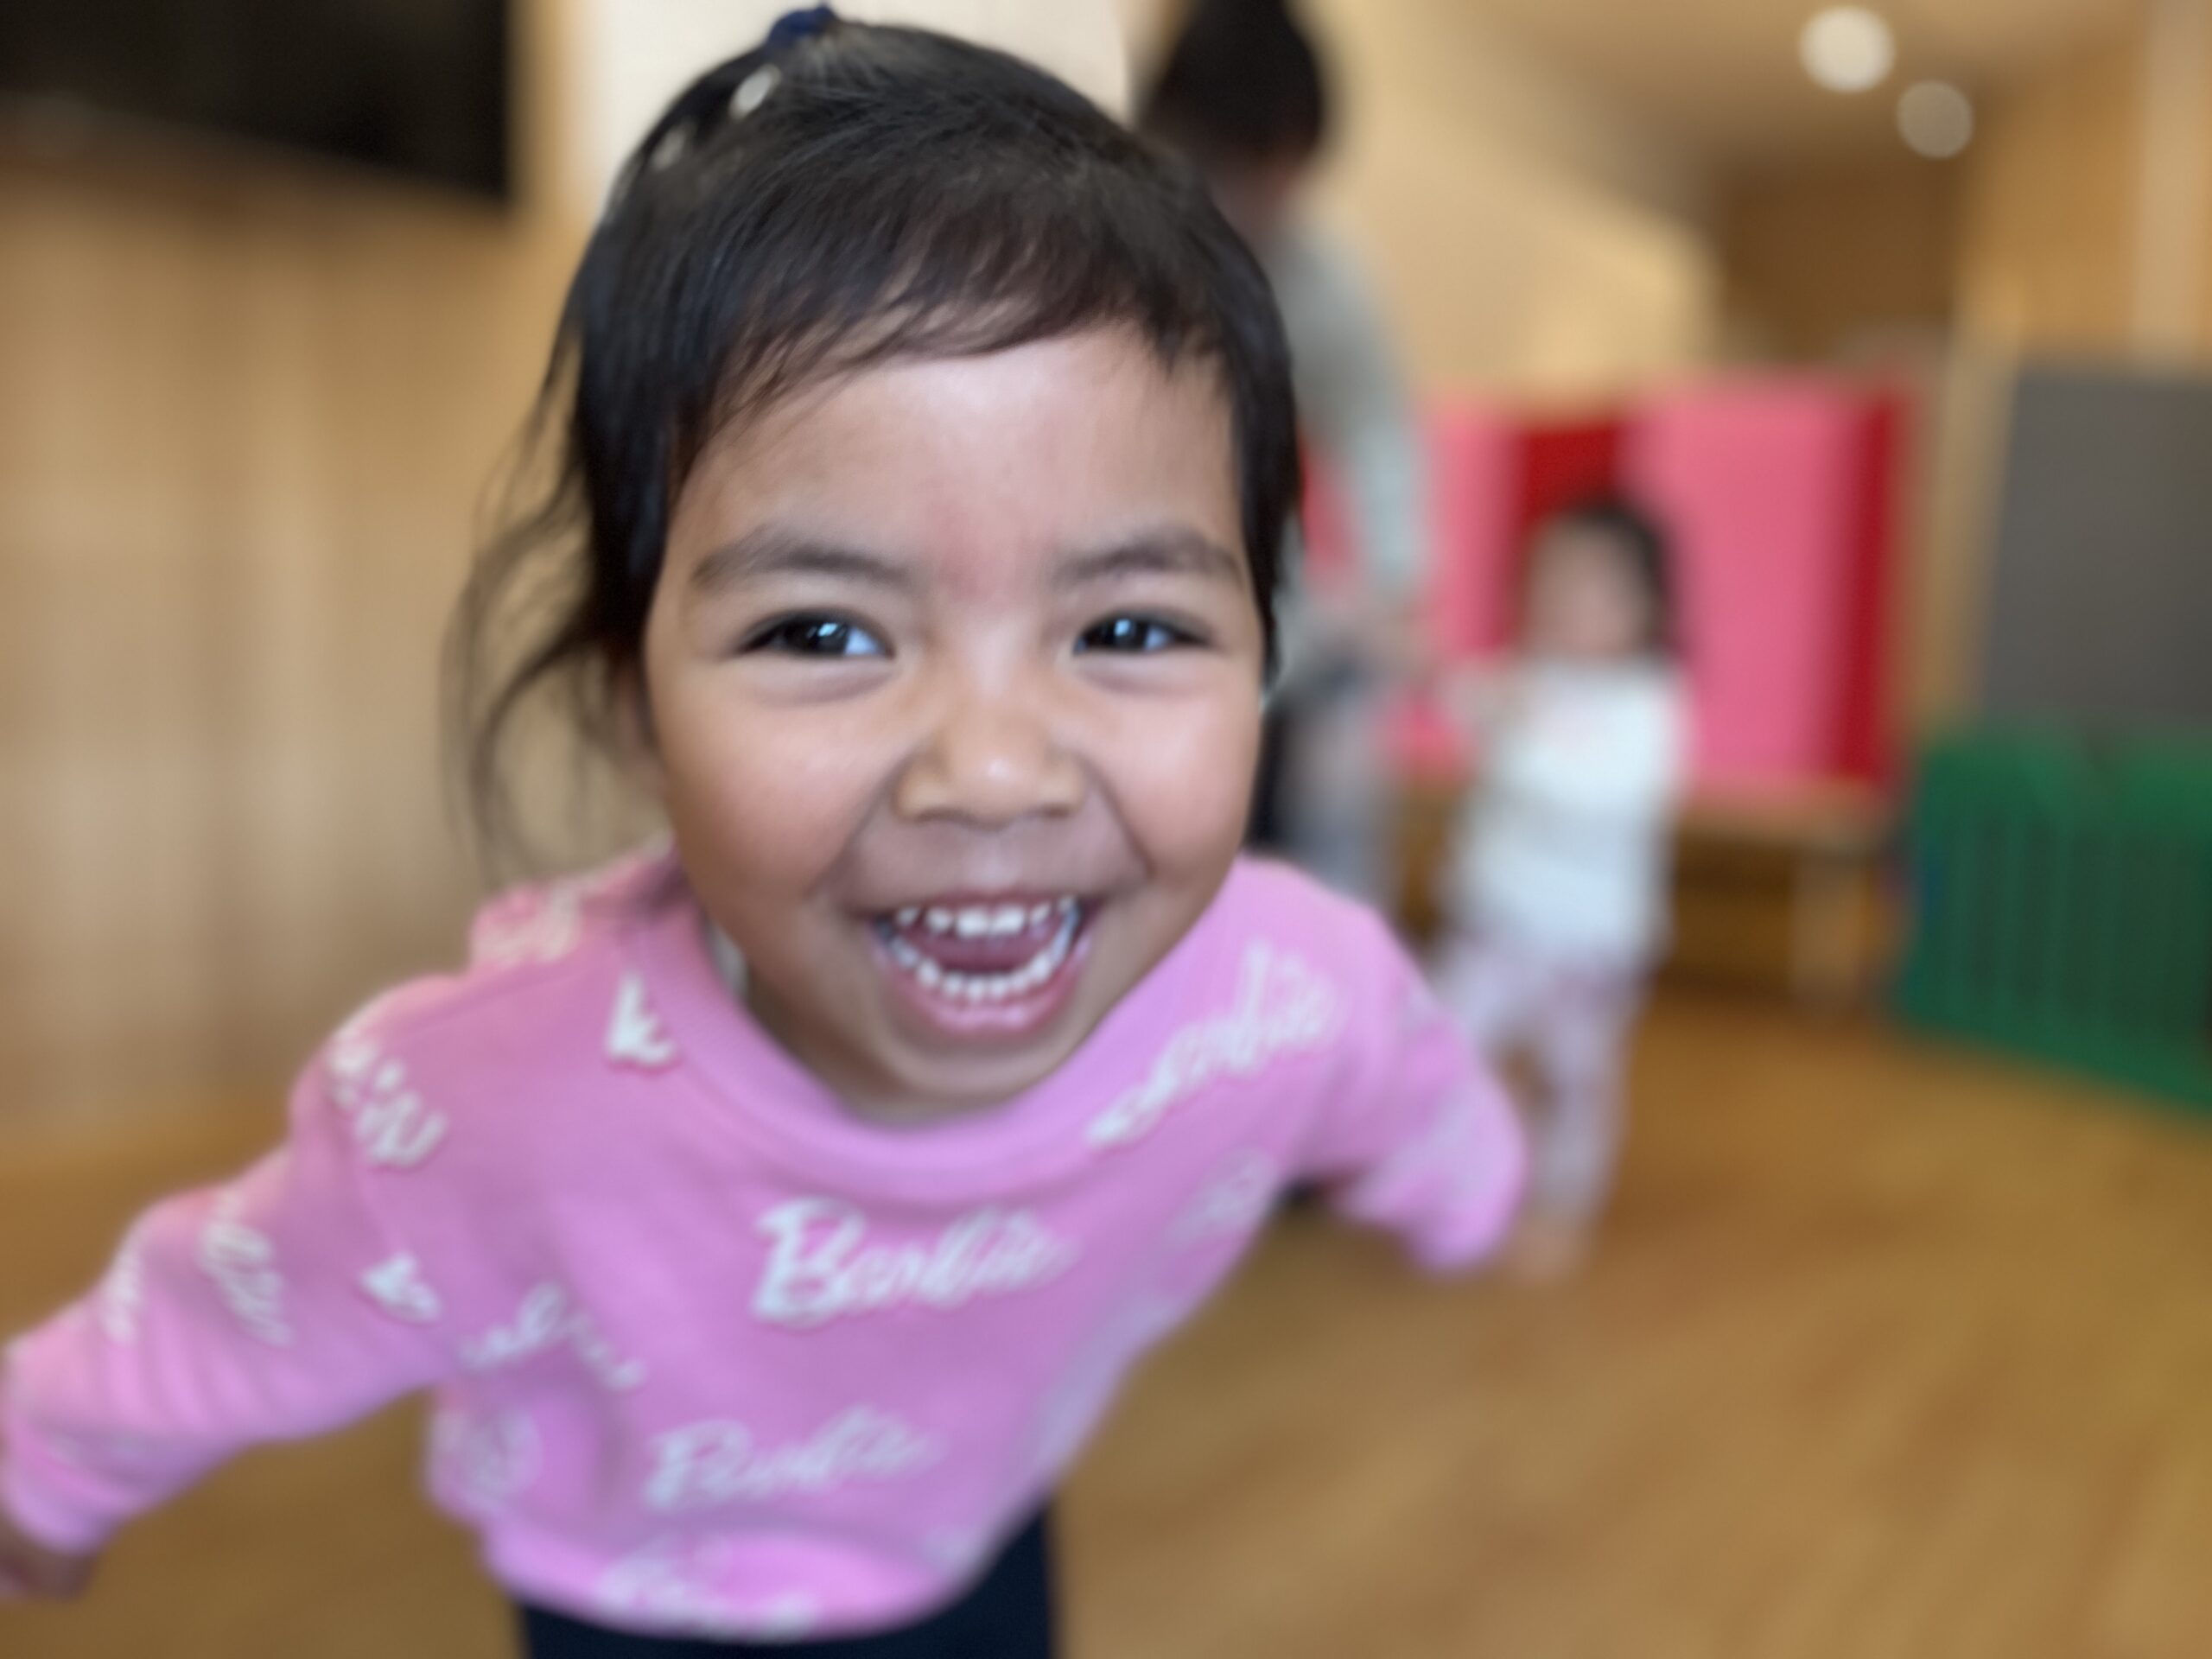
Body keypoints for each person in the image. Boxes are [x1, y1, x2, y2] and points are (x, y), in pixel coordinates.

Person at [0, 16, 1524, 1655]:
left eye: (1133, 632)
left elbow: (1405, 1078)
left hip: (971, 1534)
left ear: (1265, 663)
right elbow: (245, 1295)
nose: (995, 773)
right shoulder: (496, 1100)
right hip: (632, 1591)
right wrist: (40, 1468)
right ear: (635, 705)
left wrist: (1464, 1190)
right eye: (824, 635)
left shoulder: (1290, 993)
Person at [1141, 0, 1427, 906]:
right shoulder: (1098, 236)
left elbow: (1381, 438)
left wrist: (1397, 586)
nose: (1262, 198)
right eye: (1238, 167)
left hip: (1260, 622)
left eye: (1283, 173)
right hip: (1112, 597)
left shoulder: (1322, 278)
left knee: (1239, 858)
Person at [1433, 499, 1688, 1279]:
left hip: (1587, 944)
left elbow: (1602, 794)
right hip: (1493, 922)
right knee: (1445, 1045)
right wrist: (1439, 674)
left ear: (1644, 610)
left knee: (1572, 1077)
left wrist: (1518, 734)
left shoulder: (1648, 707)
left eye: (1589, 587)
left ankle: (1560, 1204)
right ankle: (1466, 1179)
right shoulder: (1525, 677)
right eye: (1548, 582)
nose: (1561, 602)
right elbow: (1464, 699)